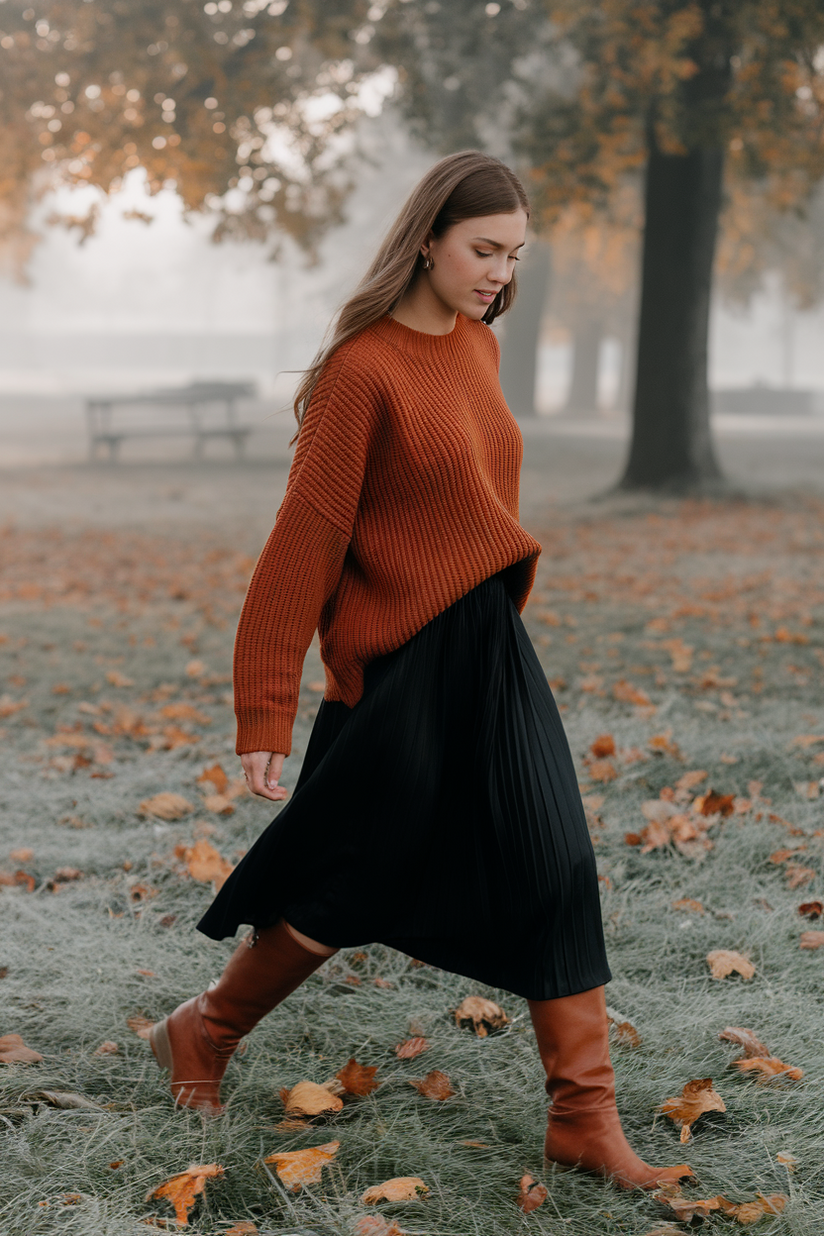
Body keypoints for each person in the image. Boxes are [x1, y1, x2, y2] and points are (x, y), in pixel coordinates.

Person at [149, 150, 690, 1191]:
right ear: (429, 237)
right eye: (483, 249)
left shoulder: (478, 350)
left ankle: (583, 1118)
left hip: (486, 648)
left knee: (557, 865)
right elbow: (300, 544)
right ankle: (205, 1032)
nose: (498, 271)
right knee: (348, 879)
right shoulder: (363, 371)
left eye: (513, 254)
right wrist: (264, 707)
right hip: (402, 669)